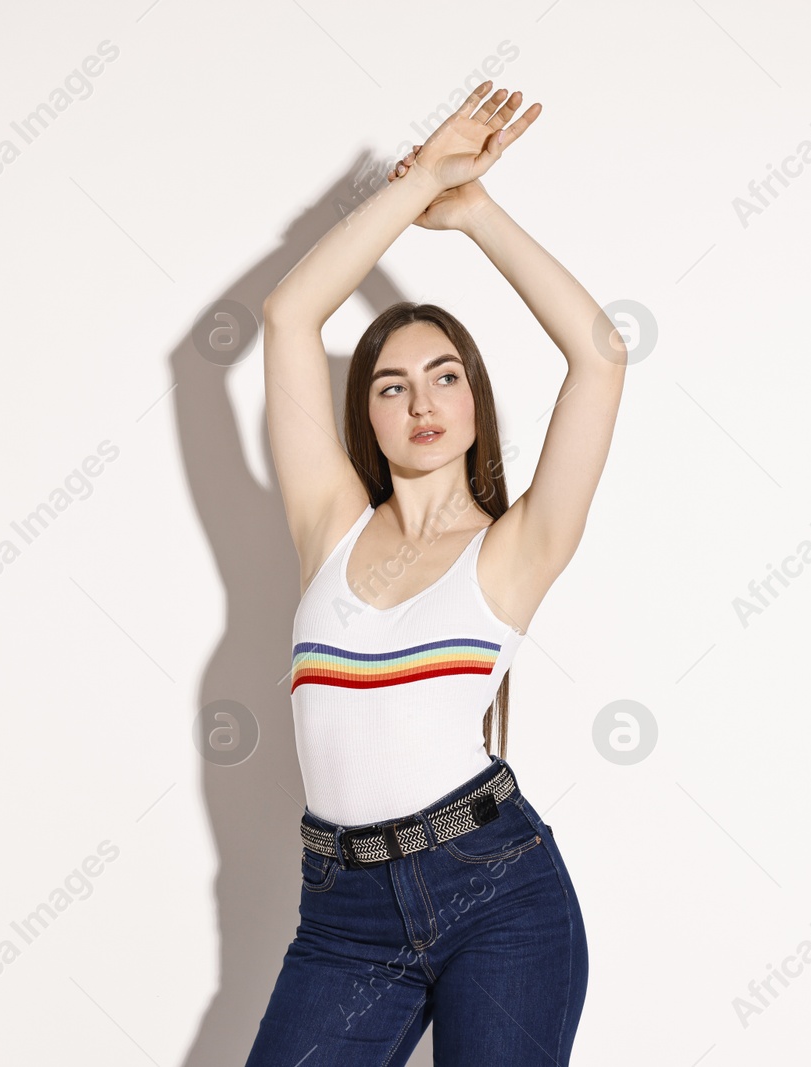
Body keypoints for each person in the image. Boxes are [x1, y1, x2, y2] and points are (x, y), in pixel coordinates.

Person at [247, 80, 627, 1066]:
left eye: (444, 376)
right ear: (365, 418)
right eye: (390, 384)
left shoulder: (516, 547)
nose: (421, 401)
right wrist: (413, 186)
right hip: (340, 913)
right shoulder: (324, 523)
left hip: (497, 892)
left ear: (474, 402)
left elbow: (600, 357)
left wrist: (475, 214)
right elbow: (290, 316)